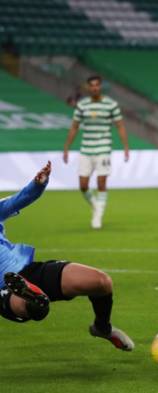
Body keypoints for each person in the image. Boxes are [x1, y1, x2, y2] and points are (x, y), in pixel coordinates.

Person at [0, 161, 134, 351]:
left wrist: (38, 183)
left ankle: (102, 328)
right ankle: (31, 295)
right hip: (3, 289)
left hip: (29, 270)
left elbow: (18, 200)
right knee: (33, 305)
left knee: (101, 282)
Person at [63, 75, 129, 229]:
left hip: (103, 148)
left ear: (100, 86)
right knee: (83, 185)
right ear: (88, 87)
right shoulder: (82, 106)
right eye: (91, 85)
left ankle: (98, 216)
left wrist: (126, 147)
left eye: (97, 85)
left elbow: (120, 126)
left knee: (101, 181)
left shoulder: (111, 105)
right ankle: (95, 205)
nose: (94, 88)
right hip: (86, 149)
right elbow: (74, 127)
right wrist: (66, 147)